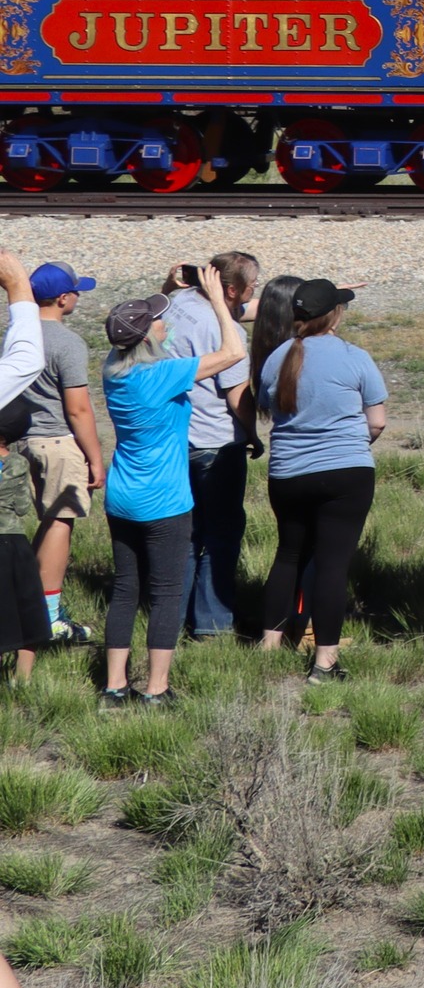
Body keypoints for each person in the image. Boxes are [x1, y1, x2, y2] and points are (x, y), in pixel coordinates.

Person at [99, 277, 238, 706]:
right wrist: (218, 301)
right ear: (147, 337)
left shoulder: (112, 369)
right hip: (164, 501)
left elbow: (134, 340)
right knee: (165, 593)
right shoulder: (162, 375)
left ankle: (114, 687)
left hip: (121, 495)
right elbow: (234, 353)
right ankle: (157, 688)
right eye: (159, 322)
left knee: (125, 591)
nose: (166, 325)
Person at [254, 279, 386, 682]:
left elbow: (265, 407)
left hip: (288, 473)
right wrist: (352, 444)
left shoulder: (277, 357)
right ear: (335, 314)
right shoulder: (354, 356)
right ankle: (324, 663)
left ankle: (268, 646)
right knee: (332, 564)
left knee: (288, 554)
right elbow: (376, 421)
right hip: (346, 472)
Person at [161, 250, 259, 641]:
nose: (255, 292)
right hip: (215, 444)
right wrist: (253, 435)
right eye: (252, 286)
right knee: (221, 533)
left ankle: (173, 617)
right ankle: (212, 624)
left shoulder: (179, 302)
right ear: (231, 289)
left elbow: (245, 309)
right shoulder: (225, 330)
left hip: (175, 440)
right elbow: (237, 394)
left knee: (186, 533)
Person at [17, 263, 101, 647]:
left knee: (45, 523)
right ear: (64, 298)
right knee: (60, 521)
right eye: (76, 291)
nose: (78, 296)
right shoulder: (67, 343)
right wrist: (95, 459)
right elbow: (79, 410)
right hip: (57, 442)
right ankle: (49, 619)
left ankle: (32, 605)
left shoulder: (16, 335)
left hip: (22, 440)